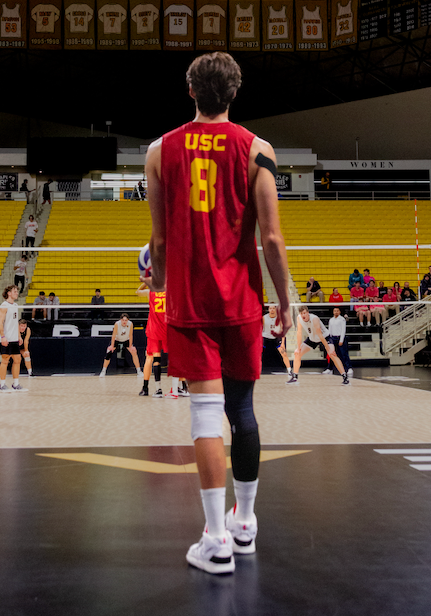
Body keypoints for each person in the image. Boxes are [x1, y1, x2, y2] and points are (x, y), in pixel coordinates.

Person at [144, 52, 292, 576]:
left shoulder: (160, 152)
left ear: (191, 93)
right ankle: (245, 524)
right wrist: (287, 300)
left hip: (191, 302)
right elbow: (271, 237)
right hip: (243, 301)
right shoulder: (258, 150)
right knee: (243, 412)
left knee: (205, 416)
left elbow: (159, 241)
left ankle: (215, 539)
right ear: (234, 94)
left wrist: (158, 285)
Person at [137, 282, 185, 398]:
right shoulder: (170, 294)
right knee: (175, 358)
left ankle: (151, 388)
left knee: (151, 358)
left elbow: (137, 292)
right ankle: (181, 387)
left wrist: (145, 282)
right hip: (168, 329)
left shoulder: (150, 292)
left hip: (154, 330)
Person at [288, 305, 349, 385]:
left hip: (324, 337)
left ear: (308, 313)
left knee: (332, 354)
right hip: (312, 338)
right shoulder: (299, 318)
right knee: (297, 354)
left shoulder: (314, 319)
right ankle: (295, 377)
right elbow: (299, 333)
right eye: (301, 313)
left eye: (304, 313)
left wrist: (328, 348)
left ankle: (345, 377)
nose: (303, 315)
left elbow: (320, 335)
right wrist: (298, 348)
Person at [0, 285, 29, 392]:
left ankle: (16, 384)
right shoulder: (4, 305)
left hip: (14, 337)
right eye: (15, 291)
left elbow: (15, 323)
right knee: (5, 360)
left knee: (17, 359)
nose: (16, 293)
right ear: (9, 293)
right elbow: (0, 322)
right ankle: (2, 385)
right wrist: (2, 337)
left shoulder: (15, 305)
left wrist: (19, 336)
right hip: (6, 338)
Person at [100, 313, 143, 378]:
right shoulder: (117, 324)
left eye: (126, 320)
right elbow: (113, 335)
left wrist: (131, 346)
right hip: (117, 339)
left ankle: (139, 371)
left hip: (126, 340)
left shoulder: (130, 324)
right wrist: (112, 346)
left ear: (128, 320)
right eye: (123, 320)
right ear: (120, 320)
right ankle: (103, 371)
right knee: (108, 352)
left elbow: (130, 335)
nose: (124, 322)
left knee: (134, 352)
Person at [262, 304, 291, 375]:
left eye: (273, 308)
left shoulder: (279, 318)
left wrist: (283, 343)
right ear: (268, 310)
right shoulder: (264, 318)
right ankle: (255, 370)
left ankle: (290, 370)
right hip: (266, 337)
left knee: (283, 353)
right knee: (259, 353)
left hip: (277, 337)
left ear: (275, 310)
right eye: (270, 308)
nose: (272, 310)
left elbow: (283, 331)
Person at [325, 306, 353, 377]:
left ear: (339, 312)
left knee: (344, 354)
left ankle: (349, 368)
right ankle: (330, 368)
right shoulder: (331, 320)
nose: (336, 312)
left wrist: (341, 340)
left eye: (337, 311)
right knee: (332, 354)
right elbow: (330, 330)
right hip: (333, 338)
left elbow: (343, 330)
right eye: (335, 311)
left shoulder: (342, 319)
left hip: (340, 338)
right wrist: (329, 339)